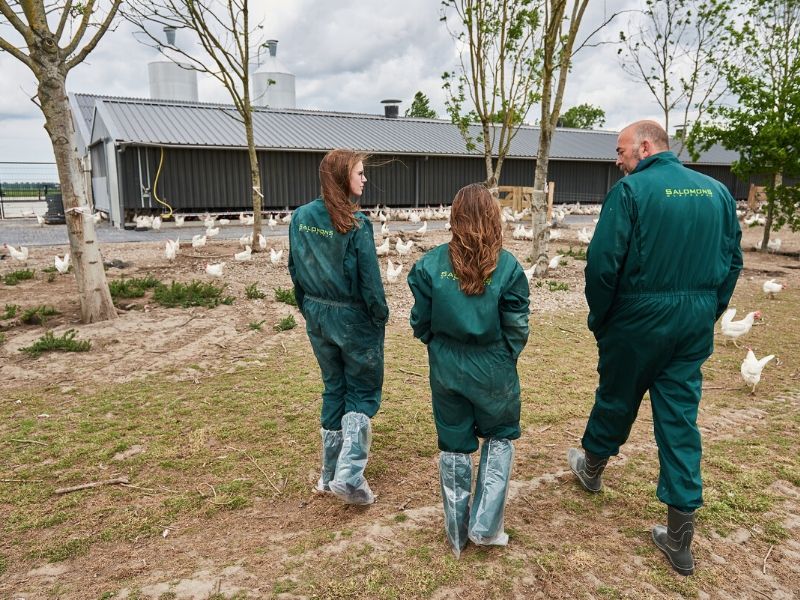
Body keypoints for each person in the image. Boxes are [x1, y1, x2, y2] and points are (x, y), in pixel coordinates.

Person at [567, 120, 743, 576]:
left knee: (617, 397)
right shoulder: (717, 193)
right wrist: (710, 310)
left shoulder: (631, 193)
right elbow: (732, 261)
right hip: (693, 323)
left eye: (622, 150)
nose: (618, 159)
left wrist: (602, 318)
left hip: (637, 319)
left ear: (645, 147)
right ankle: (680, 540)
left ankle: (592, 468)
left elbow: (602, 265)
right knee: (680, 420)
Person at [407, 183, 530, 558]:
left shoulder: (429, 266)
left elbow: (419, 321)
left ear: (454, 217)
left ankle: (457, 533)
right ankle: (485, 526)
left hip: (447, 365)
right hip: (493, 366)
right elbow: (517, 323)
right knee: (499, 437)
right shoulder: (507, 266)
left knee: (454, 443)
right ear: (494, 216)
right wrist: (505, 355)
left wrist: (440, 344)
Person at [288, 149, 388, 505]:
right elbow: (370, 282)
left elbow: (295, 270)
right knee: (361, 389)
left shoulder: (300, 218)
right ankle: (348, 475)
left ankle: (328, 473)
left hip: (317, 315)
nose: (364, 179)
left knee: (334, 387)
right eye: (359, 173)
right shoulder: (356, 225)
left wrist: (309, 308)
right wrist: (379, 317)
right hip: (354, 319)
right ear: (343, 177)